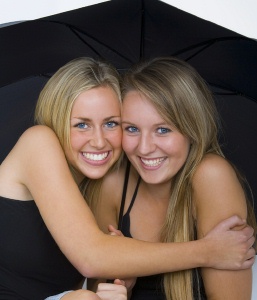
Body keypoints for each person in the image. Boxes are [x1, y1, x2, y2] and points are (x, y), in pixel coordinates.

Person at [0, 57, 255, 300]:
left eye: (111, 124)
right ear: (57, 118)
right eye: (81, 124)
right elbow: (92, 258)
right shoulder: (39, 142)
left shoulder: (92, 186)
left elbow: (92, 282)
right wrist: (209, 251)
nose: (99, 141)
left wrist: (124, 284)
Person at [90, 57, 257, 299]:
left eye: (163, 129)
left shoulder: (211, 176)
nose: (144, 148)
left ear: (192, 129)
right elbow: (96, 287)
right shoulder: (114, 184)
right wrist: (123, 286)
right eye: (132, 129)